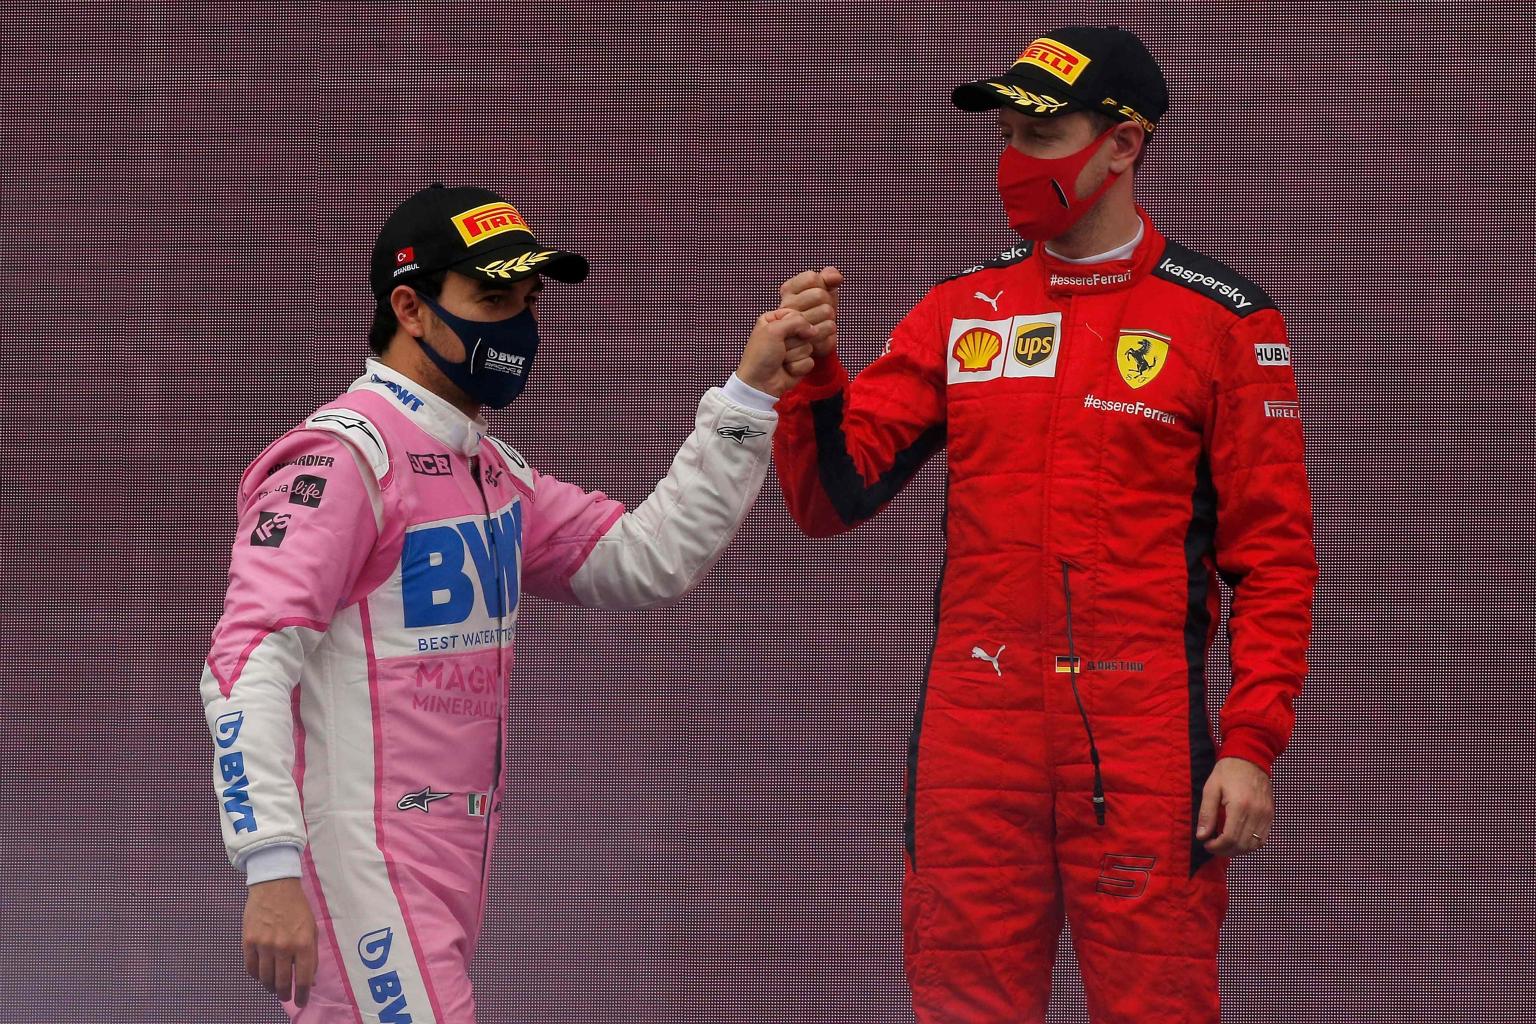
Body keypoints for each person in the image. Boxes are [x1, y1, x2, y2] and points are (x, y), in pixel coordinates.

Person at [772, 26, 1317, 1024]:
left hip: (1145, 738)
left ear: (1124, 144)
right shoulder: (959, 311)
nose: (1017, 158)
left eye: (1043, 131)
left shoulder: (1226, 319)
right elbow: (829, 500)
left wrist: (1250, 744)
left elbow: (1274, 559)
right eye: (1006, 133)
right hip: (974, 736)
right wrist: (812, 383)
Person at [198, 183, 829, 1021]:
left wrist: (749, 399)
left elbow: (647, 559)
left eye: (528, 302)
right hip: (363, 853)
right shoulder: (344, 459)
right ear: (410, 309)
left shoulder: (491, 471)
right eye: (492, 299)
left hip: (453, 852)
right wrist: (270, 864)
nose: (517, 326)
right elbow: (245, 661)